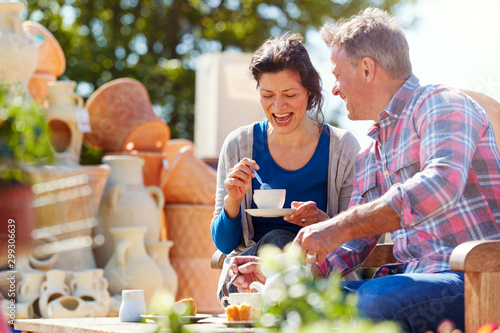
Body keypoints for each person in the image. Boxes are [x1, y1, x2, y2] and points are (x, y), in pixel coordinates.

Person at [229, 8, 500, 333]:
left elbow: (438, 186)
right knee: (288, 304)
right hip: (407, 283)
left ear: (368, 69)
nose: (336, 89)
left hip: (475, 280)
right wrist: (283, 273)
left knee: (372, 301)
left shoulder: (441, 105)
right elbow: (353, 244)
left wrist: (340, 225)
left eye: (339, 76)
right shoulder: (372, 151)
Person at [211, 33, 361, 301]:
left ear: (309, 92)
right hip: (250, 281)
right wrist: (232, 203)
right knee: (275, 241)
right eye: (267, 95)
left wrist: (324, 222)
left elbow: (356, 239)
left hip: (319, 279)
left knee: (280, 240)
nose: (278, 107)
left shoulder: (342, 148)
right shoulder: (238, 146)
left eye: (289, 94)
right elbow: (224, 244)